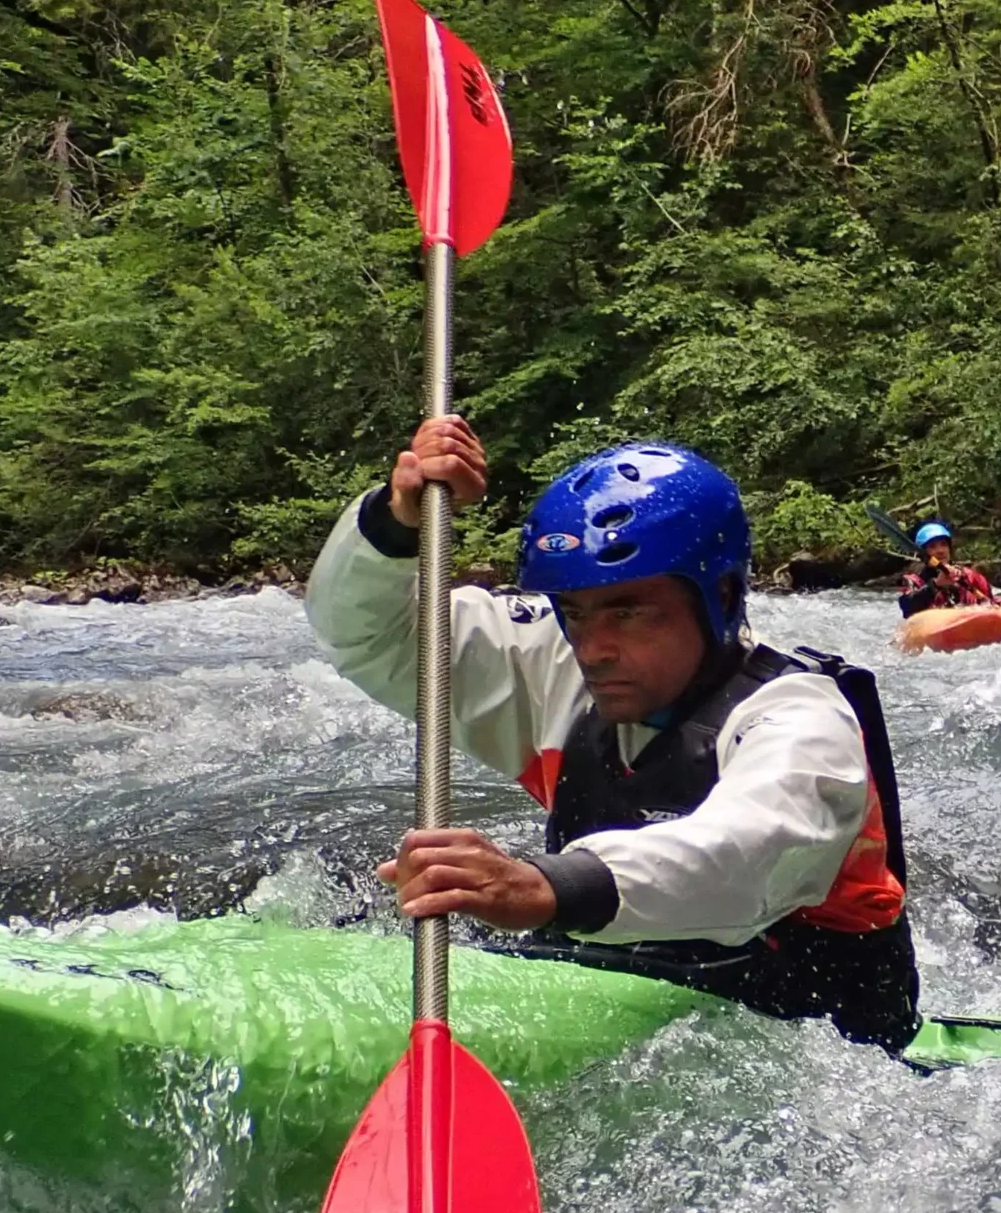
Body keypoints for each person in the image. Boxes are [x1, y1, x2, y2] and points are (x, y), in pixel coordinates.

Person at [307, 417, 922, 1052]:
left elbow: (746, 854)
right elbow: (369, 636)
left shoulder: (800, 719)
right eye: (575, 612)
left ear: (724, 595)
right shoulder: (555, 664)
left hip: (820, 1043)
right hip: (626, 1001)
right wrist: (392, 523)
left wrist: (542, 887)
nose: (593, 649)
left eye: (629, 612)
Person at [895, 519, 998, 619]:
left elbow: (992, 603)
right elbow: (907, 609)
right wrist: (936, 585)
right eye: (932, 546)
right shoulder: (914, 580)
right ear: (924, 555)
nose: (940, 551)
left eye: (944, 544)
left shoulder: (970, 576)